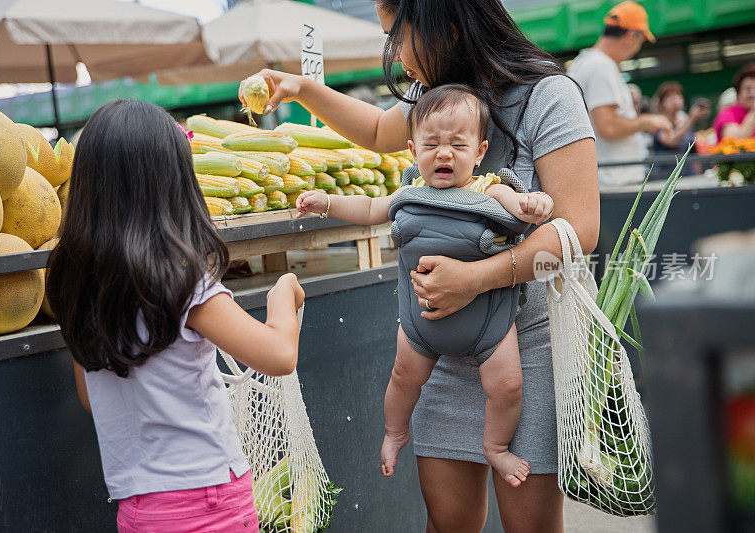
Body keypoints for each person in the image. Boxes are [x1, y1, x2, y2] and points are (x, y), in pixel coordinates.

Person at [241, 0, 600, 530]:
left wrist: (477, 278)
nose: (395, 54)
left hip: (521, 358)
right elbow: (378, 131)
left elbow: (580, 229)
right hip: (436, 354)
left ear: (444, 27)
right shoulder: (434, 98)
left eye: (397, 36)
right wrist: (301, 89)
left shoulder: (549, 96)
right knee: (448, 522)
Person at [45, 100, 305, 532]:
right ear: (174, 183)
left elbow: (93, 396)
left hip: (140, 511)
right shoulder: (184, 284)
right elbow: (279, 355)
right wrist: (282, 295)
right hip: (210, 504)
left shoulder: (77, 287)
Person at [296, 84, 553, 486]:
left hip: (489, 325)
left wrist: (538, 203)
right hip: (421, 324)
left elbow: (526, 210)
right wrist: (326, 203)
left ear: (480, 151)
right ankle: (395, 432)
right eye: (431, 144)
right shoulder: (409, 191)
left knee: (507, 386)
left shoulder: (489, 188)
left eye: (457, 144)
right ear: (413, 151)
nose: (444, 153)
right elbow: (367, 209)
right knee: (402, 376)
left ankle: (495, 448)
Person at [568, 1, 672, 188]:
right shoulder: (601, 66)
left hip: (604, 178)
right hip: (614, 179)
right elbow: (607, 127)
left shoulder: (584, 62)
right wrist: (647, 121)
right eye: (641, 41)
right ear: (632, 36)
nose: (637, 48)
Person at [650, 82, 710, 177]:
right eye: (669, 97)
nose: (675, 99)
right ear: (661, 103)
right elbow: (671, 141)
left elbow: (693, 150)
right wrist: (691, 119)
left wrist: (698, 175)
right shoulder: (657, 122)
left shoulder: (685, 120)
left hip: (688, 174)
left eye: (678, 95)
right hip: (666, 177)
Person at [713, 62, 755, 140]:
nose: (753, 94)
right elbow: (734, 141)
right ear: (738, 94)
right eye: (748, 89)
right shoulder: (728, 113)